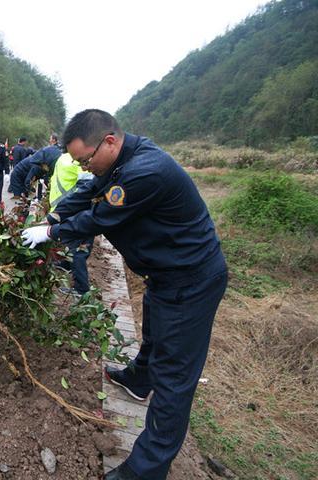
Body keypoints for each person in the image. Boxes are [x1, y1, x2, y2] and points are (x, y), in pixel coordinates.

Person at [21, 109, 228, 480]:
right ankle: (137, 379)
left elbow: (100, 217)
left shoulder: (147, 171)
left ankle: (146, 469)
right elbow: (88, 190)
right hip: (165, 275)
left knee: (174, 379)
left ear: (110, 142)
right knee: (154, 334)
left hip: (191, 280)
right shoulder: (120, 161)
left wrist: (51, 235)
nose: (85, 167)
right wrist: (53, 217)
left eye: (86, 159)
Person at [48, 152, 95, 295]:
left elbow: (86, 189)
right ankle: (67, 264)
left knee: (79, 250)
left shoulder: (69, 158)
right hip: (72, 208)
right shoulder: (77, 157)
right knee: (74, 244)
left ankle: (81, 289)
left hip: (76, 209)